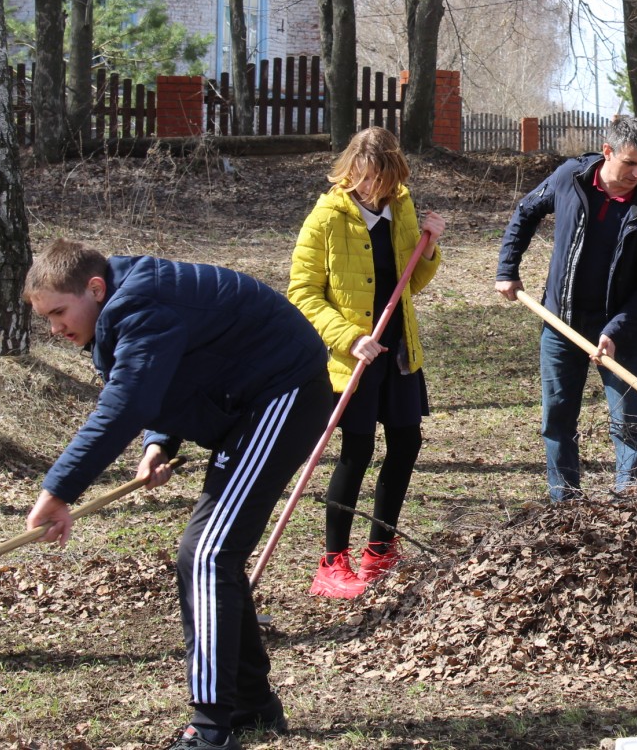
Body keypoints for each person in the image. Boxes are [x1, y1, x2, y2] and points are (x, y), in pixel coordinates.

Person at [23, 238, 337, 750]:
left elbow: (128, 399)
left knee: (208, 554)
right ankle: (251, 705)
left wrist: (59, 489)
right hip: (250, 403)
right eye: (47, 319)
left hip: (284, 394)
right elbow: (168, 370)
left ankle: (213, 727)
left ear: (95, 288)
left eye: (59, 312)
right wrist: (159, 440)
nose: (56, 329)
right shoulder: (129, 301)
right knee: (211, 554)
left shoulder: (139, 303)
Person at [287, 126, 445, 600]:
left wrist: (430, 245)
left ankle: (380, 548)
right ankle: (332, 562)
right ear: (352, 171)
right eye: (368, 179)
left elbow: (411, 283)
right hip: (352, 354)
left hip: (398, 349)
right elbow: (303, 292)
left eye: (385, 181)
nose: (375, 191)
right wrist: (349, 337)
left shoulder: (401, 206)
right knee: (356, 453)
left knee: (406, 445)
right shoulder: (326, 218)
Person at [494, 115, 637, 501]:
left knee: (629, 422)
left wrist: (616, 330)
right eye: (630, 163)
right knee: (557, 418)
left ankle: (633, 507)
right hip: (561, 321)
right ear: (607, 152)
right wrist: (508, 268)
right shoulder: (570, 178)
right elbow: (526, 211)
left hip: (620, 331)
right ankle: (566, 505)